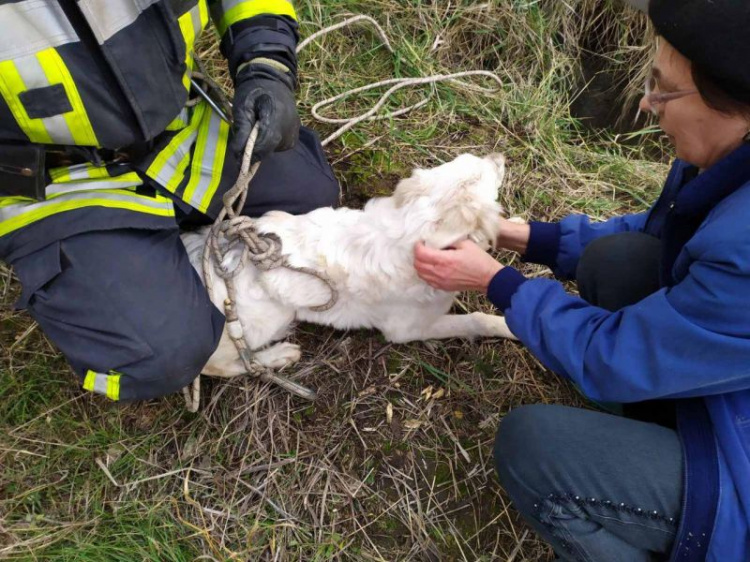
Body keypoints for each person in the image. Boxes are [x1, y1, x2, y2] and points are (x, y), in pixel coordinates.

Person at [414, 0, 750, 560]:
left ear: (738, 107)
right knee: (618, 260)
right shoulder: (725, 161)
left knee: (533, 448)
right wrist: (523, 237)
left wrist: (500, 284)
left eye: (665, 92)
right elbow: (659, 233)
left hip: (739, 468)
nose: (647, 103)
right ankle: (655, 424)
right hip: (726, 393)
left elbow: (612, 356)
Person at [0, 1, 339, 401]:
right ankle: (121, 285)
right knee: (161, 357)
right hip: (54, 179)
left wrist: (266, 64)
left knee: (312, 200)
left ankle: (154, 263)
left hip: (177, 126)